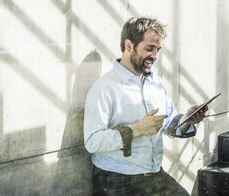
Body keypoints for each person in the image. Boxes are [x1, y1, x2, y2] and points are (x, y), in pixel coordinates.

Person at [84, 16, 208, 196]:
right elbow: (92, 142)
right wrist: (136, 130)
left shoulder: (155, 83)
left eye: (158, 49)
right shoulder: (104, 88)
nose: (155, 56)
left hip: (154, 175)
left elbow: (167, 123)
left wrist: (186, 120)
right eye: (150, 49)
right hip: (118, 181)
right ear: (129, 46)